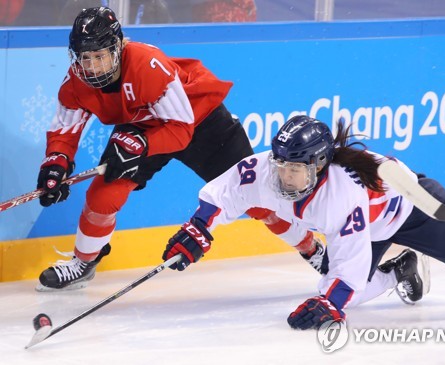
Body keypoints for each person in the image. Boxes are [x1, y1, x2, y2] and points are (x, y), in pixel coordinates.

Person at [35, 6, 323, 291]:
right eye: (86, 58)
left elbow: (180, 130)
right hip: (142, 124)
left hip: (199, 120)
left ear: (117, 48)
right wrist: (56, 162)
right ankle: (84, 262)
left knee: (258, 199)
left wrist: (142, 146)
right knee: (103, 195)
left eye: (100, 56)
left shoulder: (146, 64)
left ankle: (312, 248)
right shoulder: (76, 83)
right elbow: (64, 129)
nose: (93, 67)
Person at [161, 114, 445, 330]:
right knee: (356, 291)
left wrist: (330, 303)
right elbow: (225, 191)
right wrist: (198, 227)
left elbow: (348, 263)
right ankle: (400, 270)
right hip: (372, 230)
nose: (284, 178)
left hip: (414, 210)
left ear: (319, 164)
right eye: (280, 166)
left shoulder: (340, 195)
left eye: (294, 170)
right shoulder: (266, 169)